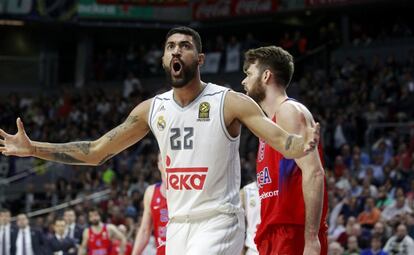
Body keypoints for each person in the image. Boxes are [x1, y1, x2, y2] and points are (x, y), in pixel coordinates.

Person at [0, 27, 319, 254]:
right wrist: (34, 149)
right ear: (165, 60)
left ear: (200, 58)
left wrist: (299, 145)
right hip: (178, 226)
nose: (177, 50)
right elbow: (96, 151)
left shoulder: (230, 101)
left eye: (185, 45)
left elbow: (280, 138)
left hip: (218, 219)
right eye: (170, 47)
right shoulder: (151, 109)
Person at [242, 45, 328, 255]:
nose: (244, 81)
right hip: (275, 232)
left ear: (266, 76)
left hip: (293, 232)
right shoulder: (269, 125)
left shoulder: (288, 111)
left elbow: (314, 173)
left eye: (249, 74)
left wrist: (310, 240)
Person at [132, 153, 167, 255]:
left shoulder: (184, 191)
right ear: (158, 164)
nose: (166, 162)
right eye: (162, 159)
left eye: (168, 158)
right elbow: (144, 230)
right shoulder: (151, 192)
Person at [240, 181, 260, 255]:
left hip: (278, 248)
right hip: (253, 250)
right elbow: (238, 228)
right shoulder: (246, 191)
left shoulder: (285, 188)